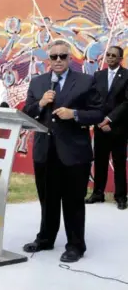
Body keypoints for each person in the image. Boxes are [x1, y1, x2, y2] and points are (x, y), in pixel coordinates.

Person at [22, 40, 103, 263]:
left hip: (74, 153)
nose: (58, 60)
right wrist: (40, 103)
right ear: (48, 59)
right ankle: (45, 239)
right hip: (44, 152)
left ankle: (76, 245)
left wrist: (74, 114)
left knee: (73, 201)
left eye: (63, 56)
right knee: (47, 199)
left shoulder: (86, 81)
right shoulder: (38, 83)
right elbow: (27, 112)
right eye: (54, 56)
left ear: (70, 58)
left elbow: (98, 113)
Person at [87, 46, 128, 210]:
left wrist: (109, 120)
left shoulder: (126, 75)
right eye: (108, 55)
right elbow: (93, 99)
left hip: (118, 128)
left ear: (120, 59)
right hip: (100, 127)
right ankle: (98, 193)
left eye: (113, 56)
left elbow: (126, 102)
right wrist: (99, 120)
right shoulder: (98, 75)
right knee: (100, 161)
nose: (110, 58)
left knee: (119, 163)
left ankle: (121, 197)